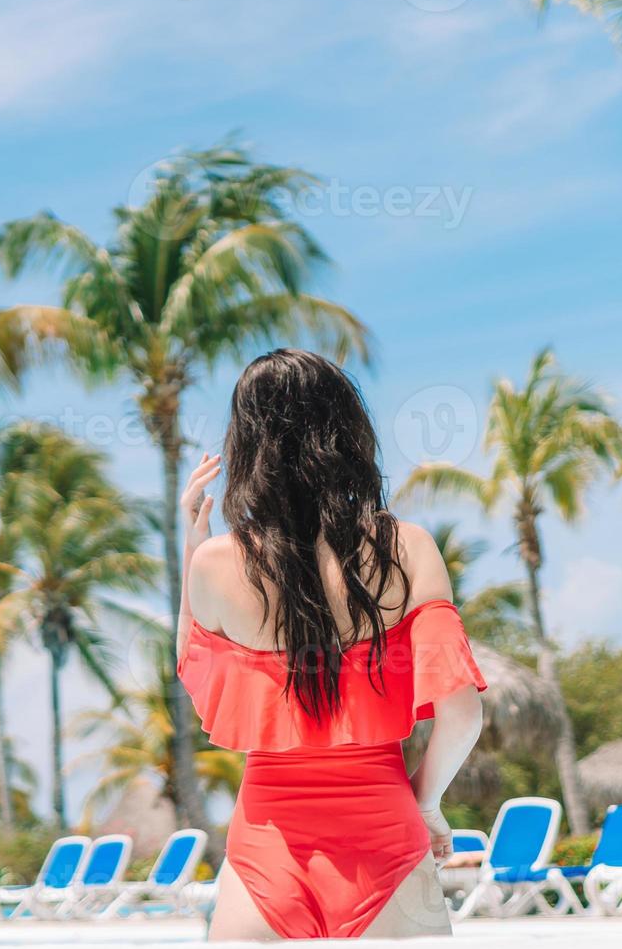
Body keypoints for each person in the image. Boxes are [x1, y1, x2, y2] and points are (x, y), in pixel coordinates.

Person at [178, 348, 487, 941]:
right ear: (348, 430)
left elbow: (194, 673)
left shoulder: (215, 565)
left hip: (265, 852)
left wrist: (194, 543)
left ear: (246, 442)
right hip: (386, 843)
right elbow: (463, 711)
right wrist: (426, 804)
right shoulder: (408, 547)